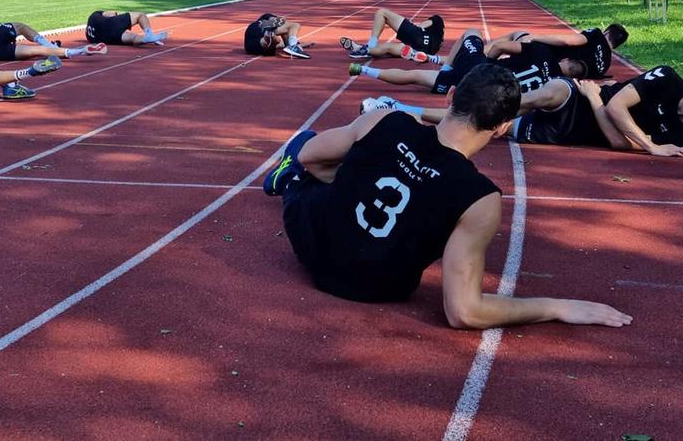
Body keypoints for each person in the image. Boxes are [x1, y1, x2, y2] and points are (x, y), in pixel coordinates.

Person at [262, 64, 631, 329]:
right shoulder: (481, 198)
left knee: (309, 150)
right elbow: (464, 312)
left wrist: (349, 181)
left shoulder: (386, 119)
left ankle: (287, 180)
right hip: (375, 287)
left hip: (312, 244)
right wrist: (556, 307)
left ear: (452, 95)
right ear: (502, 128)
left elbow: (312, 159)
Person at [368, 66, 683, 158]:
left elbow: (617, 141)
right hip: (572, 99)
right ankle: (486, 97)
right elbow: (618, 105)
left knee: (489, 127)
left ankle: (398, 108)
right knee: (551, 90)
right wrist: (648, 144)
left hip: (571, 130)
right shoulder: (669, 79)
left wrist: (598, 103)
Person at [348, 29, 588, 96]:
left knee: (470, 31)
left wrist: (486, 59)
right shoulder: (556, 86)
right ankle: (365, 70)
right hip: (485, 91)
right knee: (416, 78)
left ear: (566, 58)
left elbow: (502, 46)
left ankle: (445, 64)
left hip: (478, 68)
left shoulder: (543, 52)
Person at [487, 24, 628, 78]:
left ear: (607, 32)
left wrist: (535, 37)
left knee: (518, 34)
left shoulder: (596, 35)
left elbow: (568, 41)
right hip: (556, 76)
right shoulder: (605, 65)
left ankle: (484, 53)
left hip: (546, 55)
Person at [339, 7, 445, 60]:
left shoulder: (438, 20)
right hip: (423, 51)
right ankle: (363, 49)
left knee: (382, 12)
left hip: (419, 36)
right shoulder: (437, 43)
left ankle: (370, 44)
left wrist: (413, 27)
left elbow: (422, 25)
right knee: (387, 48)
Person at [242, 13, 310, 58]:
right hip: (257, 40)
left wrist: (295, 44)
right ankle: (270, 36)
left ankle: (269, 35)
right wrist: (293, 44)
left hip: (250, 45)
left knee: (274, 41)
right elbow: (282, 22)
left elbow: (282, 43)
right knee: (294, 25)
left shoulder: (260, 24)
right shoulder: (266, 18)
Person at [85, 10, 168, 46]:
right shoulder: (95, 14)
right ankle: (149, 34)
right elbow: (110, 14)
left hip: (107, 38)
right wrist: (117, 15)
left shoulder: (89, 37)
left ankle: (145, 39)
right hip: (111, 24)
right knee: (140, 15)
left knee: (133, 38)